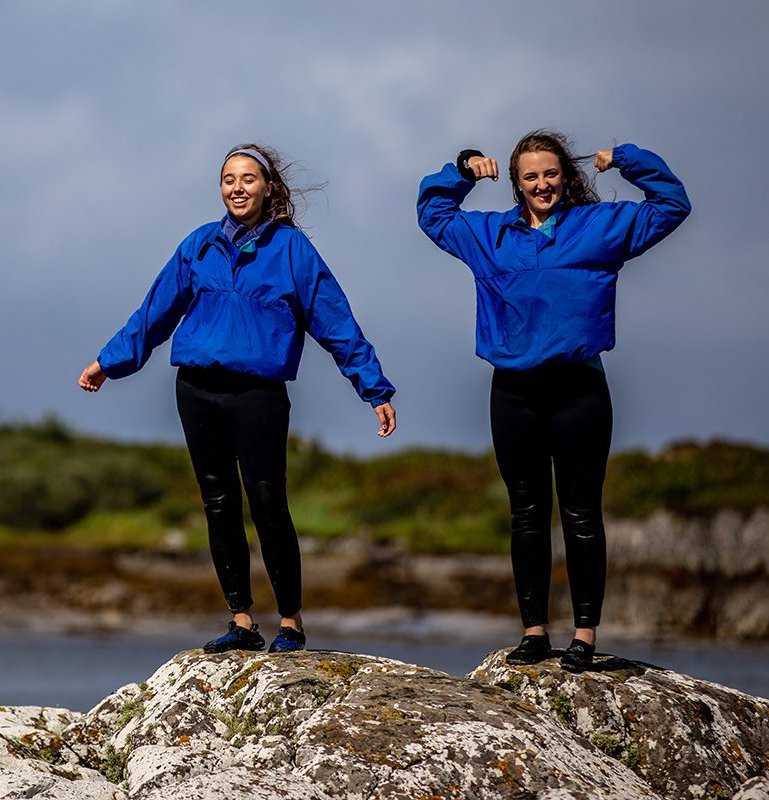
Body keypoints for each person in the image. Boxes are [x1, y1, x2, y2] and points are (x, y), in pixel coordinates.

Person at [79, 143, 397, 654]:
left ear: (269, 188)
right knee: (218, 504)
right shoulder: (199, 245)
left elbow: (336, 321)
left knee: (269, 502)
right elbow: (154, 313)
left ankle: (290, 623)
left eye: (249, 179)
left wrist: (373, 387)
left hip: (258, 394)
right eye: (229, 179)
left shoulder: (291, 250)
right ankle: (242, 621)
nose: (237, 187)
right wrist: (109, 362)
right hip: (197, 390)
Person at [415, 130, 690, 671]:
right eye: (530, 177)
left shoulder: (601, 227)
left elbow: (672, 204)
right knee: (527, 514)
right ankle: (534, 633)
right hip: (514, 394)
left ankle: (583, 637)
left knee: (582, 514)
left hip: (579, 390)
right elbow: (433, 212)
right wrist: (464, 168)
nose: (542, 184)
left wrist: (628, 159)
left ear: (566, 175)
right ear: (517, 185)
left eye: (550, 173)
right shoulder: (489, 235)